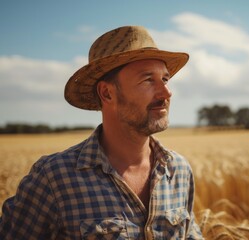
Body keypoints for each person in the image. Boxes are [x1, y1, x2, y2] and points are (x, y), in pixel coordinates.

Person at [0, 26, 203, 239]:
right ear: (107, 93)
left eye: (165, 79)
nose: (166, 92)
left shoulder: (179, 170)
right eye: (148, 80)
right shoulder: (54, 179)